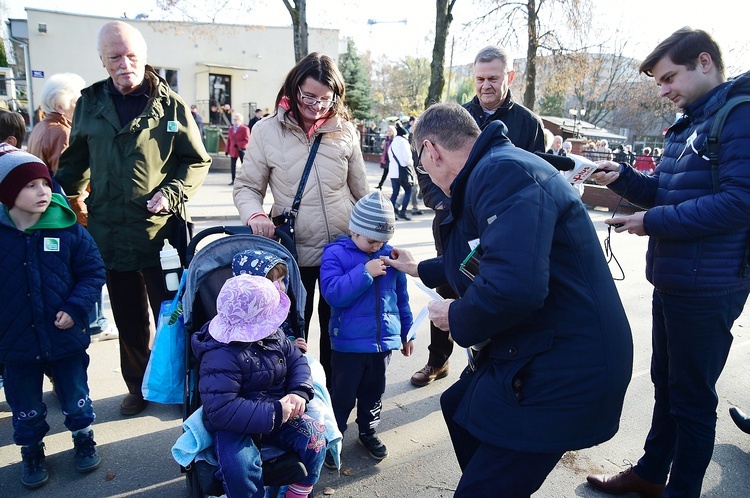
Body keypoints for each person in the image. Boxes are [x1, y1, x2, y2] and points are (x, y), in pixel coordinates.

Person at [383, 102, 633, 497]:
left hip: (567, 364)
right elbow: (485, 256)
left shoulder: (502, 174)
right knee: (460, 407)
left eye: (422, 164)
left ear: (431, 150)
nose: (425, 174)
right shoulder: (493, 169)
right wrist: (420, 269)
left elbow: (515, 287)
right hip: (544, 344)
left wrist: (456, 314)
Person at [585, 27, 750, 498]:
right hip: (678, 280)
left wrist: (652, 220)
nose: (663, 90)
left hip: (710, 285)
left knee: (693, 402)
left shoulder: (738, 116)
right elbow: (665, 188)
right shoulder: (693, 120)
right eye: (658, 82)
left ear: (704, 63)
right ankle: (652, 474)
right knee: (667, 386)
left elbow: (741, 202)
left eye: (668, 78)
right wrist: (622, 178)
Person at [56, 21, 211, 416]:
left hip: (161, 236)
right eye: (115, 57)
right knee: (128, 319)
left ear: (142, 56)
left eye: (132, 56)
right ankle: (138, 386)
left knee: (172, 317)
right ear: (103, 61)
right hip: (109, 232)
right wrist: (55, 200)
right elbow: (74, 165)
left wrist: (172, 193)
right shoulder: (89, 104)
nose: (125, 64)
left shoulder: (171, 105)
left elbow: (196, 160)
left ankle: (177, 386)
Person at [410, 44, 545, 388]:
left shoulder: (527, 124)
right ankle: (438, 360)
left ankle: (493, 364)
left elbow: (537, 176)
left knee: (492, 289)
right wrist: (445, 202)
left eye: (493, 78)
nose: (485, 85)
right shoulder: (456, 115)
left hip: (504, 232)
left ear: (509, 77)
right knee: (447, 286)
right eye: (480, 78)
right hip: (453, 223)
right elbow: (426, 168)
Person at [233, 52, 368, 386]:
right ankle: (297, 394)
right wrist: (256, 214)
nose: (317, 105)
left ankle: (335, 398)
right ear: (293, 90)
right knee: (295, 331)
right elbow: (248, 186)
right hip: (294, 252)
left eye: (326, 99)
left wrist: (376, 230)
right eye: (308, 96)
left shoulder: (346, 132)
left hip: (343, 251)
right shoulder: (265, 131)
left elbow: (362, 192)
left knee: (340, 332)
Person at [0, 148, 107, 489]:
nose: (43, 191)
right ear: (7, 193)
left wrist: (75, 308)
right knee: (25, 402)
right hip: (16, 341)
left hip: (65, 336)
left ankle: (84, 436)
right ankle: (31, 450)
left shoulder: (68, 229)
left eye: (45, 183)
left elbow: (92, 271)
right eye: (30, 185)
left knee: (76, 392)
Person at [191, 274, 326, 498]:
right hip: (236, 423)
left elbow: (297, 361)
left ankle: (299, 490)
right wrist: (273, 412)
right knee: (238, 468)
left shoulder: (275, 335)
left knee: (316, 437)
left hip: (281, 410)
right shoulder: (220, 355)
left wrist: (298, 391)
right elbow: (221, 409)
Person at [320, 192, 413, 463]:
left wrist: (406, 332)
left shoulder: (390, 256)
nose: (377, 246)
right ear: (354, 230)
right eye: (371, 240)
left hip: (382, 343)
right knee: (343, 395)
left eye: (382, 240)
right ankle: (333, 435)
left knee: (374, 391)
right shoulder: (336, 254)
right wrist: (364, 273)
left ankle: (368, 430)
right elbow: (333, 294)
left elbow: (401, 298)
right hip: (348, 345)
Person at [27, 73, 117, 343]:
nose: (82, 108)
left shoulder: (42, 127)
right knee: (87, 269)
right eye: (76, 101)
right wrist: (87, 215)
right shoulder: (61, 132)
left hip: (50, 213)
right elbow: (71, 180)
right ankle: (94, 322)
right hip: (68, 213)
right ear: (62, 104)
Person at [232, 248, 308, 352]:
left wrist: (292, 343)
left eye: (282, 281)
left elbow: (287, 331)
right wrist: (287, 347)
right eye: (275, 282)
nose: (282, 287)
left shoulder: (281, 307)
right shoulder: (243, 314)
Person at [387, 122, 414, 221]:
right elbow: (408, 159)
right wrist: (411, 164)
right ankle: (403, 212)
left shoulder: (393, 142)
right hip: (403, 172)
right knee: (408, 192)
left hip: (393, 173)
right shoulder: (404, 142)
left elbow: (389, 156)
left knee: (395, 193)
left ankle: (391, 214)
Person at [225, 112, 250, 185]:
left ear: (240, 120)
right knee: (233, 166)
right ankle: (233, 180)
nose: (235, 121)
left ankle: (245, 180)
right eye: (234, 119)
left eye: (236, 119)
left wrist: (239, 144)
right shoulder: (231, 129)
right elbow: (229, 140)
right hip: (233, 150)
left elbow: (247, 140)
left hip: (241, 149)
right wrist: (227, 150)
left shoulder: (245, 128)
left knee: (244, 165)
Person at [375, 125, 395, 191]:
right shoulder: (386, 139)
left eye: (390, 130)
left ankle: (396, 188)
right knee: (385, 172)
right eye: (388, 131)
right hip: (387, 158)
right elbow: (384, 150)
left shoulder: (394, 139)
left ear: (394, 131)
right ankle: (380, 185)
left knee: (393, 174)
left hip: (392, 159)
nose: (389, 132)